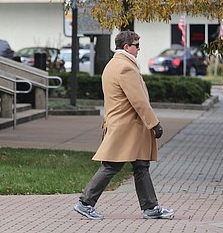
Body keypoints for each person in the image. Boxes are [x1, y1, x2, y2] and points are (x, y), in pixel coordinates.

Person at [73, 30, 175, 220]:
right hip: (127, 128)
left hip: (124, 126)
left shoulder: (113, 64)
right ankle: (85, 203)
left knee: (141, 166)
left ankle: (151, 208)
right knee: (112, 165)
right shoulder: (125, 67)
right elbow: (139, 101)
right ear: (126, 47)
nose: (139, 49)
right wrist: (155, 124)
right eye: (136, 45)